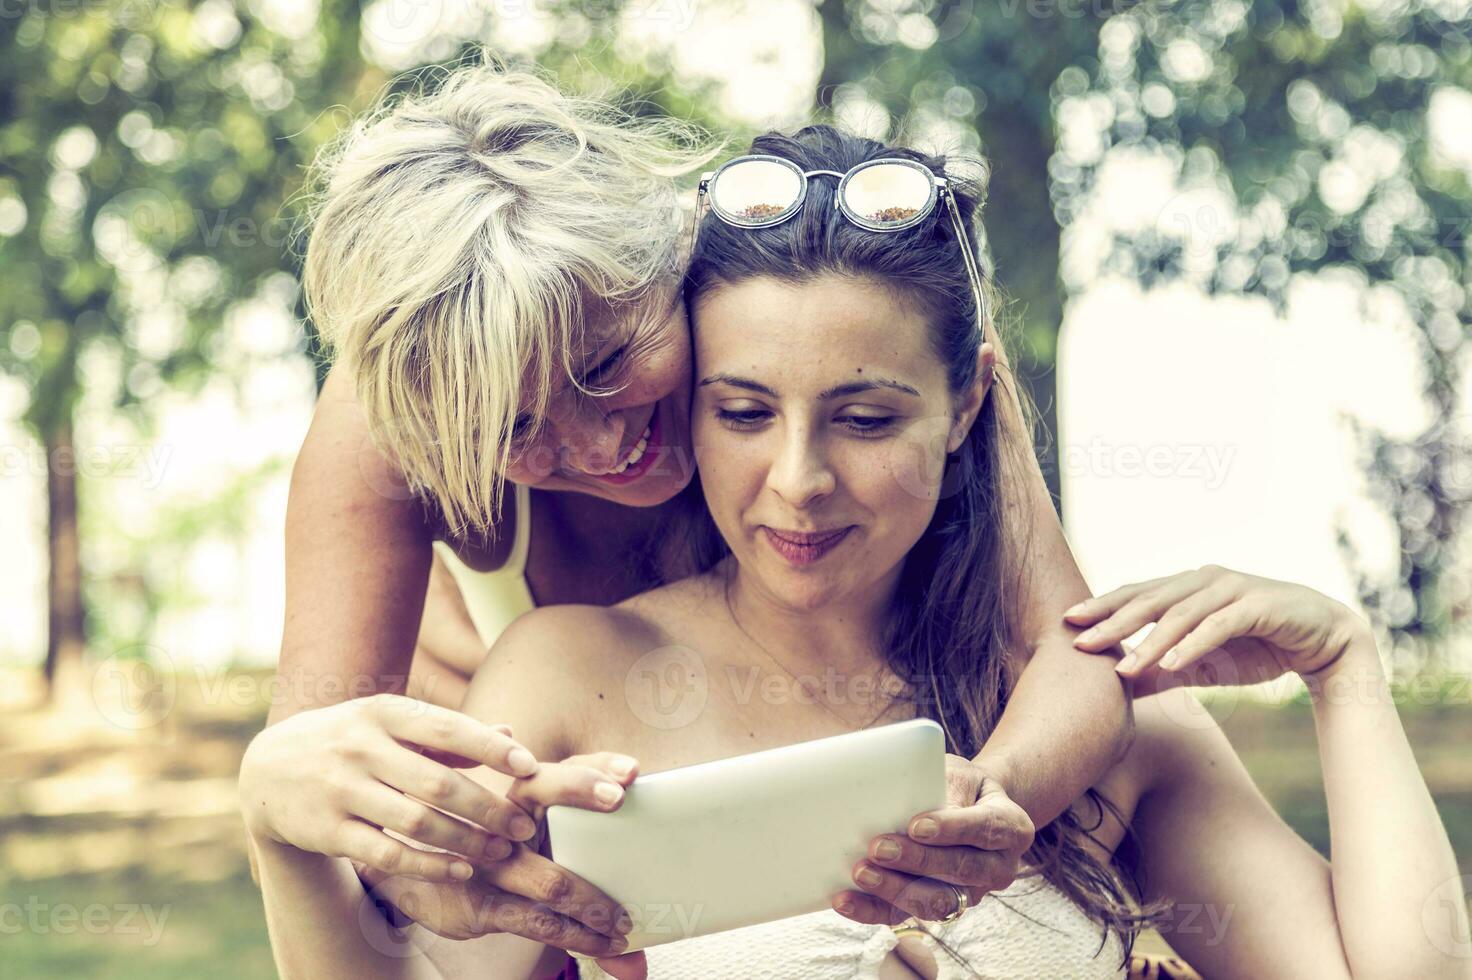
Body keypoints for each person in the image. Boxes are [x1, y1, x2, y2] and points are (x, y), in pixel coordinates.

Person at [245, 124, 1470, 979]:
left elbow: (1073, 646)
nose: (796, 476)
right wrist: (282, 815)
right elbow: (331, 790)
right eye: (740, 411)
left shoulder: (1107, 721)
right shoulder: (557, 681)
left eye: (867, 415)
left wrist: (1343, 666)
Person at [248, 59, 1134, 968]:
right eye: (514, 427)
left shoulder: (794, 308)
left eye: (605, 366)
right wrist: (424, 848)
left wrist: (992, 799)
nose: (596, 447)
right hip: (550, 774)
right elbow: (321, 766)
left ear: (667, 264)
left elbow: (1074, 643)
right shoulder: (391, 423)